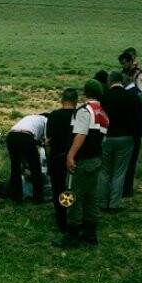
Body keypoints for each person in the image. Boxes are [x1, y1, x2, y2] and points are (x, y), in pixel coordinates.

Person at [56, 80, 107, 247]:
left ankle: (72, 236)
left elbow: (80, 134)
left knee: (73, 196)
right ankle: (90, 233)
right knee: (91, 196)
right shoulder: (102, 112)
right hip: (96, 159)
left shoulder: (84, 111)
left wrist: (70, 155)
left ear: (85, 93)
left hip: (83, 161)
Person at [97, 71, 141, 211]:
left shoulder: (104, 97)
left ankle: (103, 203)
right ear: (121, 81)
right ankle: (114, 204)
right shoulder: (132, 97)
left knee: (104, 171)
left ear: (110, 81)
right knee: (119, 172)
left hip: (106, 138)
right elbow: (137, 120)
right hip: (126, 138)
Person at [46, 88, 78, 233]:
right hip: (74, 158)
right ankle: (72, 218)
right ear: (76, 102)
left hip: (56, 157)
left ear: (62, 100)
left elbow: (49, 140)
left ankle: (61, 220)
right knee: (72, 189)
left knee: (58, 189)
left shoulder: (53, 115)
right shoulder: (79, 115)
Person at [6, 114, 48, 204]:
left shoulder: (30, 117)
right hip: (26, 137)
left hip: (11, 136)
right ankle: (37, 198)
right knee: (35, 168)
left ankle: (16, 198)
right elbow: (46, 141)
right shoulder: (46, 120)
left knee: (15, 168)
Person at [122, 51, 142, 197]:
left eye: (125, 62)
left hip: (134, 117)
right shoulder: (127, 73)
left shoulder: (139, 75)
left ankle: (127, 188)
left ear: (131, 61)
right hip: (128, 117)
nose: (123, 65)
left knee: (130, 158)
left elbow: (140, 96)